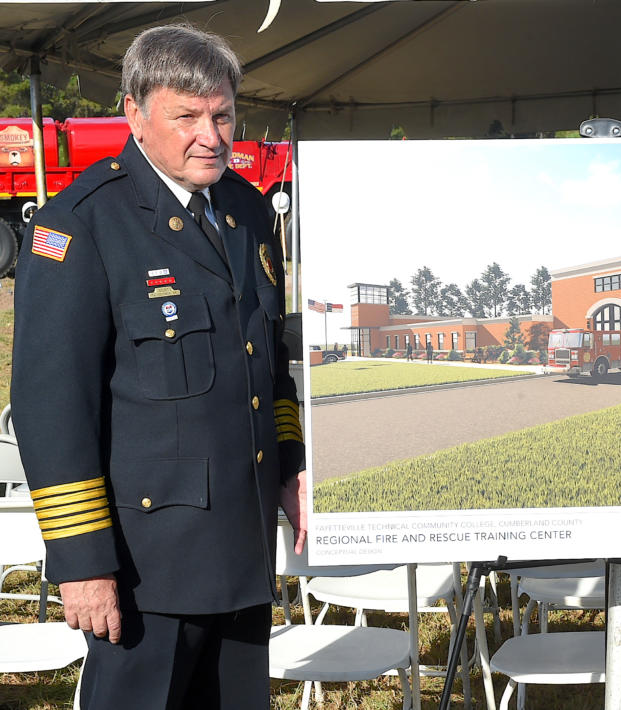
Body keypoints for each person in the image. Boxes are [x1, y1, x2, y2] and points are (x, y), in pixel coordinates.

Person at [12, 24, 307, 709]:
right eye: (187, 117)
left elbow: (269, 367)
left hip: (242, 550)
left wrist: (288, 463)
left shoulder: (248, 212)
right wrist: (84, 564)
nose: (211, 135)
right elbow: (52, 409)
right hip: (147, 571)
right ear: (135, 115)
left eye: (224, 115)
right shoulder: (78, 226)